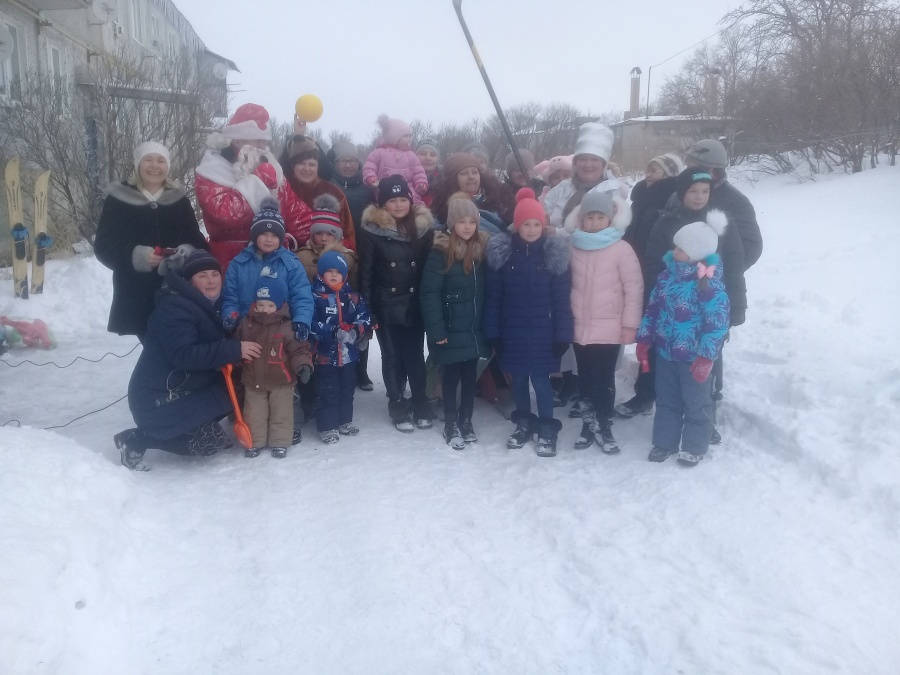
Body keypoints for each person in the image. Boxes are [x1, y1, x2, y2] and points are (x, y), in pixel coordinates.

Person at [618, 168, 745, 430]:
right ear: (681, 192)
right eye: (693, 191)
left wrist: (738, 304)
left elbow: (734, 265)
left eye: (705, 191)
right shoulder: (666, 223)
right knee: (661, 356)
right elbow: (653, 264)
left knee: (708, 356)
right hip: (670, 307)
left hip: (709, 307)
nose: (699, 197)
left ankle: (706, 416)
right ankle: (646, 395)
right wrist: (656, 302)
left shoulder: (721, 223)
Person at [114, 250, 258, 471]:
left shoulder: (207, 303)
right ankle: (138, 439)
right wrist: (232, 350)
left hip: (186, 386)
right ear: (189, 280)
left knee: (240, 387)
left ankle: (195, 422)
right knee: (209, 442)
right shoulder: (174, 309)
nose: (211, 281)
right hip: (158, 400)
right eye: (202, 276)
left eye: (214, 274)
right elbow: (184, 355)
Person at [637, 212, 730, 466]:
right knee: (666, 399)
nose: (674, 250)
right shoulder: (667, 278)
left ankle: (694, 445)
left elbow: (717, 325)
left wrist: (706, 356)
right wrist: (645, 338)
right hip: (666, 354)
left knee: (697, 402)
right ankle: (664, 441)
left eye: (680, 248)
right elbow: (653, 309)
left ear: (695, 255)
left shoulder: (709, 285)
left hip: (693, 359)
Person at [484, 188, 573, 457]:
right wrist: (493, 333)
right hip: (513, 333)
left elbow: (561, 301)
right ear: (517, 225)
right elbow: (494, 299)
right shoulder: (504, 256)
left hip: (544, 334)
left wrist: (563, 335)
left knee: (542, 382)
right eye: (526, 224)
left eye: (536, 224)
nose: (532, 229)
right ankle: (523, 421)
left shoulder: (552, 257)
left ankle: (547, 426)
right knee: (519, 381)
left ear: (543, 225)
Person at [95, 141, 209, 340]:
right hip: (135, 294)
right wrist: (139, 256)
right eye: (148, 160)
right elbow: (104, 245)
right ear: (138, 164)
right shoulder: (119, 199)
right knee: (153, 351)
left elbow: (195, 239)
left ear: (168, 166)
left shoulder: (179, 199)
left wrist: (185, 252)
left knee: (177, 348)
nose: (155, 166)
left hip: (176, 290)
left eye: (161, 160)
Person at [567, 191, 643, 454]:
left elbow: (633, 288)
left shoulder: (621, 248)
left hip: (610, 328)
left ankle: (604, 423)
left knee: (604, 379)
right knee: (585, 378)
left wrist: (629, 325)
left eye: (601, 217)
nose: (595, 221)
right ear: (581, 220)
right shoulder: (572, 245)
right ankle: (588, 425)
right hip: (579, 327)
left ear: (610, 220)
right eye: (590, 217)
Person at [359, 175, 436, 432]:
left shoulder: (424, 230)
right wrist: (368, 310)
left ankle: (420, 400)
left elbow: (427, 270)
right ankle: (397, 402)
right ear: (383, 204)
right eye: (393, 200)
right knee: (391, 356)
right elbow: (367, 273)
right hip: (386, 303)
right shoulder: (373, 231)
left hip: (413, 302)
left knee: (414, 355)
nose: (399, 204)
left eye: (403, 199)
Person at [195, 103, 312, 268]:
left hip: (273, 261)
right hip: (230, 264)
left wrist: (323, 233)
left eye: (264, 141)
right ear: (237, 140)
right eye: (258, 141)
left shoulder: (271, 168)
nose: (263, 147)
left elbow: (294, 211)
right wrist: (259, 181)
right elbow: (226, 214)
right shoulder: (212, 172)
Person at [419, 194, 490, 450]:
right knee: (450, 377)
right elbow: (429, 293)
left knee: (470, 377)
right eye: (462, 221)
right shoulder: (441, 251)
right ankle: (450, 422)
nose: (468, 227)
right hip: (449, 328)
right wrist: (436, 329)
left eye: (472, 221)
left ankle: (466, 419)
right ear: (451, 224)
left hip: (473, 329)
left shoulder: (482, 251)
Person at [296, 195, 372, 392]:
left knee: (342, 356)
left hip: (342, 314)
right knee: (312, 354)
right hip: (314, 313)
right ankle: (310, 395)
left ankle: (350, 382)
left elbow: (355, 287)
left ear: (337, 235)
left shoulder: (347, 257)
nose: (323, 238)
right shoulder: (302, 255)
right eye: (318, 233)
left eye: (329, 233)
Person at [236, 276, 313, 458]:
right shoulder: (246, 325)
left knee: (282, 413)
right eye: (261, 305)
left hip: (281, 380)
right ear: (255, 303)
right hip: (253, 379)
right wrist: (231, 359)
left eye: (270, 306)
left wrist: (303, 365)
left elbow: (298, 349)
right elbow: (236, 345)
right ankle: (254, 441)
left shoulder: (286, 327)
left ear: (279, 305)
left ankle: (280, 442)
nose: (264, 310)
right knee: (254, 413)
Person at [221, 199, 314, 344]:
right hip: (248, 331)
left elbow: (301, 296)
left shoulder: (290, 264)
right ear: (255, 235)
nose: (269, 240)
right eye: (264, 234)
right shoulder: (238, 264)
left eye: (275, 235)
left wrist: (302, 321)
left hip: (280, 334)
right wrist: (231, 316)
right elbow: (230, 297)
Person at [309, 250, 372, 443]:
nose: (334, 275)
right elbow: (310, 323)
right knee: (328, 390)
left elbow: (365, 316)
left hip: (349, 355)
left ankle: (344, 420)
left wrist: (356, 330)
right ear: (321, 273)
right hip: (324, 356)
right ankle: (327, 426)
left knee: (347, 388)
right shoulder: (314, 296)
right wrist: (332, 331)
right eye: (329, 271)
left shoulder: (352, 297)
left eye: (338, 271)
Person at [284, 135, 357, 250]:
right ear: (293, 165)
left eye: (312, 164)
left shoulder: (333, 192)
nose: (307, 168)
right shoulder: (284, 189)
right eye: (302, 163)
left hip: (327, 261)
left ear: (318, 166)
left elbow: (348, 234)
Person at [544, 122, 620, 230]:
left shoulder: (611, 192)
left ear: (603, 164)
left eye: (594, 160)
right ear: (575, 163)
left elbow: (611, 230)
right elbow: (542, 217)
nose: (588, 165)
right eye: (582, 159)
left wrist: (559, 233)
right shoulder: (561, 189)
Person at [430, 153, 515, 233]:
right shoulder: (443, 208)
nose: (471, 177)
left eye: (474, 172)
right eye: (464, 173)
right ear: (453, 179)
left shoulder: (501, 199)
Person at [623, 153, 683, 262]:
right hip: (631, 259)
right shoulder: (640, 198)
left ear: (669, 174)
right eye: (647, 171)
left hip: (655, 262)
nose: (648, 175)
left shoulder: (672, 202)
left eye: (653, 171)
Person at [362, 115, 429, 204]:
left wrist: (421, 183)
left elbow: (419, 173)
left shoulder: (411, 155)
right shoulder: (379, 153)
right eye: (405, 136)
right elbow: (369, 167)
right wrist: (371, 177)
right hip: (386, 193)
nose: (409, 139)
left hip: (409, 195)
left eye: (410, 136)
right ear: (394, 137)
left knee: (419, 212)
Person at [329, 140, 374, 233]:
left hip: (363, 240)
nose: (348, 165)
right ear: (335, 163)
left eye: (352, 160)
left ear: (358, 162)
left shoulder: (368, 186)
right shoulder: (328, 186)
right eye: (343, 161)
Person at [415, 138, 443, 207]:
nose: (428, 158)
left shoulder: (446, 181)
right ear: (415, 156)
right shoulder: (406, 178)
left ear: (438, 159)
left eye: (432, 155)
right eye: (423, 154)